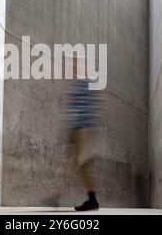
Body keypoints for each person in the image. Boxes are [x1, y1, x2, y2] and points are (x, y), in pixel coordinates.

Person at [64, 57, 103, 211]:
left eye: (74, 67)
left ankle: (92, 200)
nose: (71, 69)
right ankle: (92, 199)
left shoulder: (85, 83)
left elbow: (89, 109)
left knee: (82, 165)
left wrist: (82, 132)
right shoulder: (79, 84)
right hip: (79, 130)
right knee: (80, 165)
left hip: (83, 130)